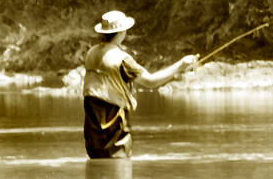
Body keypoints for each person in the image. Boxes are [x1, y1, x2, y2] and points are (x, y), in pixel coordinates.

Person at [82, 10, 197, 159]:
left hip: (92, 126)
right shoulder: (123, 59)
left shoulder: (91, 53)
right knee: (119, 164)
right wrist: (181, 65)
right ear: (122, 32)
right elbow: (150, 81)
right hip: (113, 124)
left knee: (98, 165)